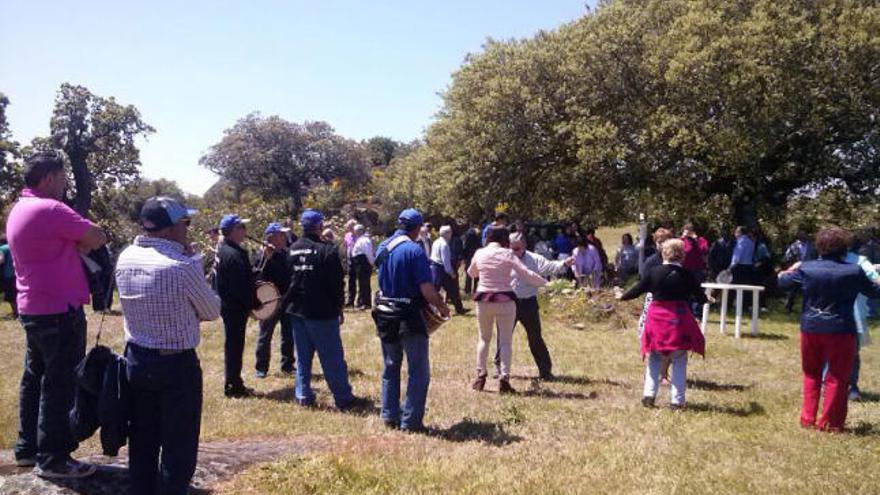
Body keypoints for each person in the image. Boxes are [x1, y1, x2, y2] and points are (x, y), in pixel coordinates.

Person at [7, 150, 107, 478]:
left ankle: (27, 449)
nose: (65, 185)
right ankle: (54, 459)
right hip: (60, 309)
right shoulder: (51, 209)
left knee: (33, 379)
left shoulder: (19, 209)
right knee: (60, 384)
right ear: (49, 178)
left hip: (32, 307)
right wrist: (79, 242)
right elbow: (96, 236)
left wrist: (70, 244)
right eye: (63, 178)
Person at [115, 197, 221, 495]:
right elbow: (212, 311)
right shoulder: (181, 266)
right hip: (176, 364)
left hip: (136, 357)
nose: (188, 229)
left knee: (143, 438)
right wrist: (195, 262)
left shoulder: (126, 257)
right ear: (172, 228)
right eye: (186, 223)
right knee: (179, 441)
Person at [778, 228, 880, 432]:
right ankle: (830, 423)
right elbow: (875, 292)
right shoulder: (853, 271)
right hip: (841, 329)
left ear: (819, 247)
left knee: (811, 374)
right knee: (837, 377)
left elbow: (781, 283)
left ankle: (807, 419)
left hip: (811, 327)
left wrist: (790, 269)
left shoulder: (806, 269)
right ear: (844, 248)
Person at [372, 208, 450, 432]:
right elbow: (426, 289)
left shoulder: (383, 247)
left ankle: (389, 415)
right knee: (418, 370)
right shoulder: (414, 251)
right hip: (408, 315)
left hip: (385, 313)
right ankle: (411, 421)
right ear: (417, 228)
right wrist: (442, 306)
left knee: (390, 366)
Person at [284, 209, 363, 409]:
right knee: (332, 357)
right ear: (319, 226)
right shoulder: (327, 250)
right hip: (321, 312)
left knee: (303, 357)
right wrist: (339, 307)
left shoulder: (292, 249)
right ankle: (343, 397)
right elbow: (336, 284)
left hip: (297, 311)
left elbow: (288, 280)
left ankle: (303, 395)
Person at [618, 239, 709, 410]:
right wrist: (708, 298)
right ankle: (677, 401)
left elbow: (637, 290)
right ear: (682, 255)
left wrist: (621, 297)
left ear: (663, 253)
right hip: (679, 321)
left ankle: (649, 395)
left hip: (657, 320)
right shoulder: (688, 275)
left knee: (654, 358)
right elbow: (700, 297)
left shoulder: (654, 272)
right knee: (679, 360)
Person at [468, 226, 546, 393]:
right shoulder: (508, 254)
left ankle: (480, 376)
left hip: (483, 299)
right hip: (505, 299)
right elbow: (526, 274)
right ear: (504, 239)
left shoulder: (479, 253)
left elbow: (471, 273)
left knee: (484, 339)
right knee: (505, 341)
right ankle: (504, 378)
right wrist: (544, 283)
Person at [497, 232, 573, 380]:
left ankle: (545, 371)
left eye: (517, 248)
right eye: (512, 248)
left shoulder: (534, 258)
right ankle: (499, 369)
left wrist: (564, 263)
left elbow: (549, 266)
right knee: (503, 338)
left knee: (535, 338)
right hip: (508, 303)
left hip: (529, 303)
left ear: (524, 245)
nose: (515, 252)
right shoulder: (503, 258)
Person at [216, 214, 257, 398]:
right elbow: (241, 286)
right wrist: (254, 304)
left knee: (233, 345)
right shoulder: (234, 254)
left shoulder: (224, 250)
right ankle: (233, 385)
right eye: (242, 228)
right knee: (234, 346)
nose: (245, 232)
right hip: (234, 307)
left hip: (228, 305)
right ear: (234, 230)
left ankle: (234, 381)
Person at [254, 222, 294, 378]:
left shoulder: (286, 253)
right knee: (265, 335)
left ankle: (288, 365)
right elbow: (256, 278)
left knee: (288, 334)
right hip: (270, 301)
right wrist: (265, 259)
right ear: (272, 237)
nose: (284, 237)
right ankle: (261, 368)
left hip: (286, 298)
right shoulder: (261, 255)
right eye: (281, 234)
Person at [845, 238, 880, 401]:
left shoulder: (859, 261)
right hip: (842, 315)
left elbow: (875, 279)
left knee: (850, 352)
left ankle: (850, 387)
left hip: (852, 313)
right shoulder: (859, 261)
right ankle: (837, 386)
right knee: (847, 352)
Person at [429, 225, 467, 315]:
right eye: (450, 232)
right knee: (453, 289)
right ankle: (459, 309)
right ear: (446, 234)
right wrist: (452, 273)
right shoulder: (445, 245)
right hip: (442, 269)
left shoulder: (436, 242)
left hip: (434, 268)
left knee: (435, 291)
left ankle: (433, 310)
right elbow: (446, 262)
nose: (451, 234)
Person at [783, 231, 818, 313]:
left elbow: (816, 257)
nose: (802, 236)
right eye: (800, 234)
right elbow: (787, 258)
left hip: (809, 270)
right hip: (796, 270)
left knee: (808, 290)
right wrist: (790, 268)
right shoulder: (793, 246)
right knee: (792, 290)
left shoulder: (812, 246)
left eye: (804, 234)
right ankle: (788, 308)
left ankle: (808, 308)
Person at [680, 222, 709, 316]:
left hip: (698, 270)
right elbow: (679, 250)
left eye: (690, 231)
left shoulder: (701, 240)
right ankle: (686, 312)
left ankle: (697, 314)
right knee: (685, 291)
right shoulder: (681, 241)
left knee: (697, 291)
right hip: (685, 270)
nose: (689, 234)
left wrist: (695, 240)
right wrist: (683, 238)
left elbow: (704, 250)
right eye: (687, 231)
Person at [350, 224, 375, 310]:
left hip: (363, 263)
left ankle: (366, 303)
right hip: (359, 263)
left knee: (364, 283)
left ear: (360, 231)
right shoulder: (360, 240)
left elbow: (368, 253)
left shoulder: (365, 240)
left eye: (356, 231)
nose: (355, 233)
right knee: (361, 283)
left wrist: (371, 263)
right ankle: (361, 301)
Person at [0, 233, 18, 317]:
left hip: (7, 276)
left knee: (10, 296)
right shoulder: (14, 247)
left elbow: (1, 260)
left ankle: (16, 313)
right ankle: (17, 312)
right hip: (16, 274)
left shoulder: (2, 249)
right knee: (15, 295)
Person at [462, 225, 481, 294]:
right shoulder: (478, 235)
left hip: (469, 256)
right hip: (476, 255)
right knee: (477, 273)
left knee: (468, 273)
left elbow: (464, 246)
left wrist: (463, 256)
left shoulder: (467, 234)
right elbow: (480, 245)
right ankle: (476, 289)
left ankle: (467, 289)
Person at [343, 219, 357, 308]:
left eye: (349, 226)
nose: (347, 227)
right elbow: (345, 246)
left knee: (361, 281)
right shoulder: (347, 235)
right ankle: (350, 301)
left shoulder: (359, 235)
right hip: (349, 259)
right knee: (351, 280)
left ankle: (361, 300)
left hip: (357, 259)